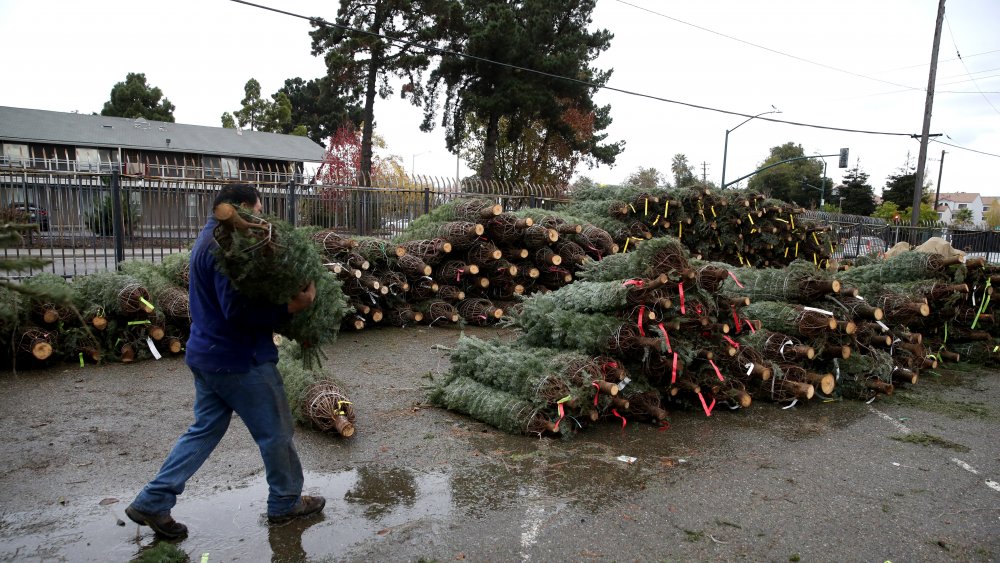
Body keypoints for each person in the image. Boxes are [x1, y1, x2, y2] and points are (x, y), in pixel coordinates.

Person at [125, 185, 324, 539]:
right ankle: (285, 502)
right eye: (258, 210)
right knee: (276, 432)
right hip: (239, 360)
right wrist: (291, 308)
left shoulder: (208, 239)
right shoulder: (225, 248)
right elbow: (237, 312)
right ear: (240, 210)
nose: (262, 219)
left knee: (203, 431)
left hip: (207, 356)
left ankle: (153, 500)